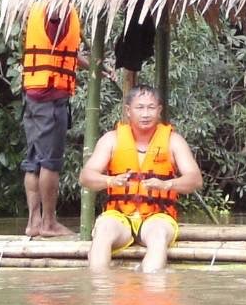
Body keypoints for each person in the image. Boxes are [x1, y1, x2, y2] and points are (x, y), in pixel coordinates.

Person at [80, 84, 203, 273]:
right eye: (140, 108)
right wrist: (110, 181)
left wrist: (167, 184)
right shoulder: (111, 139)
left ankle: (150, 288)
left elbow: (195, 179)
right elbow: (86, 177)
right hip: (119, 216)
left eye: (151, 108)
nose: (145, 114)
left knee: (158, 236)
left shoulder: (173, 140)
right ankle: (100, 290)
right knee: (103, 231)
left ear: (159, 110)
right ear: (128, 111)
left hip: (158, 216)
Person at [20, 1, 88, 238]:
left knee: (35, 160)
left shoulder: (37, 8)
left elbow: (59, 51)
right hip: (49, 98)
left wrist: (91, 65)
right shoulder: (57, 8)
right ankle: (48, 223)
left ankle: (34, 223)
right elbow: (57, 23)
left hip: (33, 95)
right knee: (50, 161)